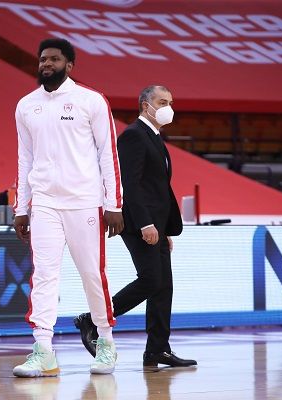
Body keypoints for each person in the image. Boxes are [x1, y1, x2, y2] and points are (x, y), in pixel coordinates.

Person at [12, 38, 124, 378]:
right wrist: (21, 208)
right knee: (43, 275)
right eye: (42, 59)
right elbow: (25, 159)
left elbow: (108, 154)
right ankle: (43, 350)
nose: (47, 64)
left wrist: (114, 204)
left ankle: (105, 341)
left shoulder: (91, 100)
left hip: (84, 202)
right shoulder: (26, 105)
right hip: (45, 203)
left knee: (92, 274)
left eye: (54, 59)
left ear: (69, 65)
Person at [74, 85, 197, 369]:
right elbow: (130, 184)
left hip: (156, 226)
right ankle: (93, 320)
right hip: (139, 224)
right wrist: (146, 223)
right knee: (151, 280)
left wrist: (164, 229)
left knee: (163, 287)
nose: (168, 108)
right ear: (145, 105)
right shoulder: (133, 136)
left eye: (170, 102)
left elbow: (158, 187)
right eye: (162, 102)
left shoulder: (154, 137)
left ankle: (157, 350)